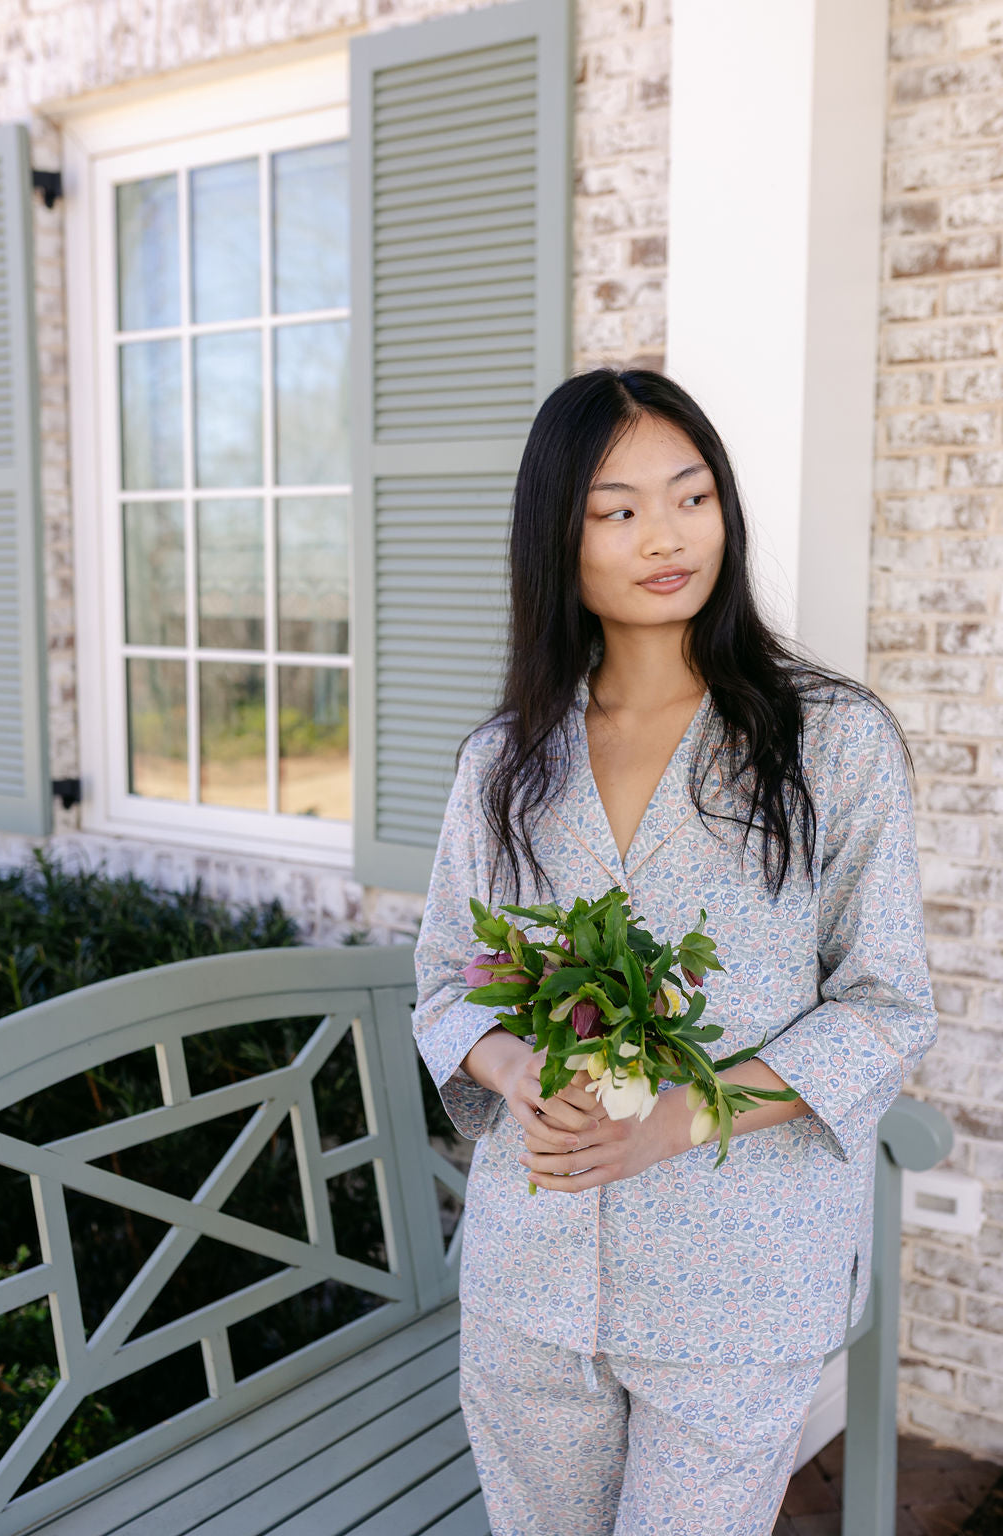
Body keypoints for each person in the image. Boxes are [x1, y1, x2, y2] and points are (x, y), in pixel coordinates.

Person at [412, 368, 937, 1536]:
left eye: (692, 497)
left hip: (739, 1282)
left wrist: (676, 1119)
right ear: (558, 538)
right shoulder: (505, 763)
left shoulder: (831, 745)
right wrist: (512, 1068)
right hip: (531, 1282)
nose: (668, 536)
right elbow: (446, 980)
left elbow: (884, 1006)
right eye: (619, 510)